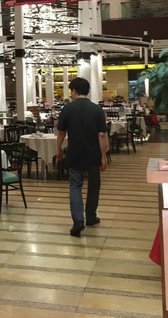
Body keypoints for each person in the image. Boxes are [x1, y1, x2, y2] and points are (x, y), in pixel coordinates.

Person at [55, 77, 108, 237]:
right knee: (94, 186)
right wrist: (103, 156)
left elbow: (61, 133)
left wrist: (58, 149)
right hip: (93, 155)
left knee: (75, 187)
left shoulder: (67, 109)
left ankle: (78, 220)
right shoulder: (97, 110)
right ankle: (91, 217)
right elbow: (101, 135)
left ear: (74, 91)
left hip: (75, 154)